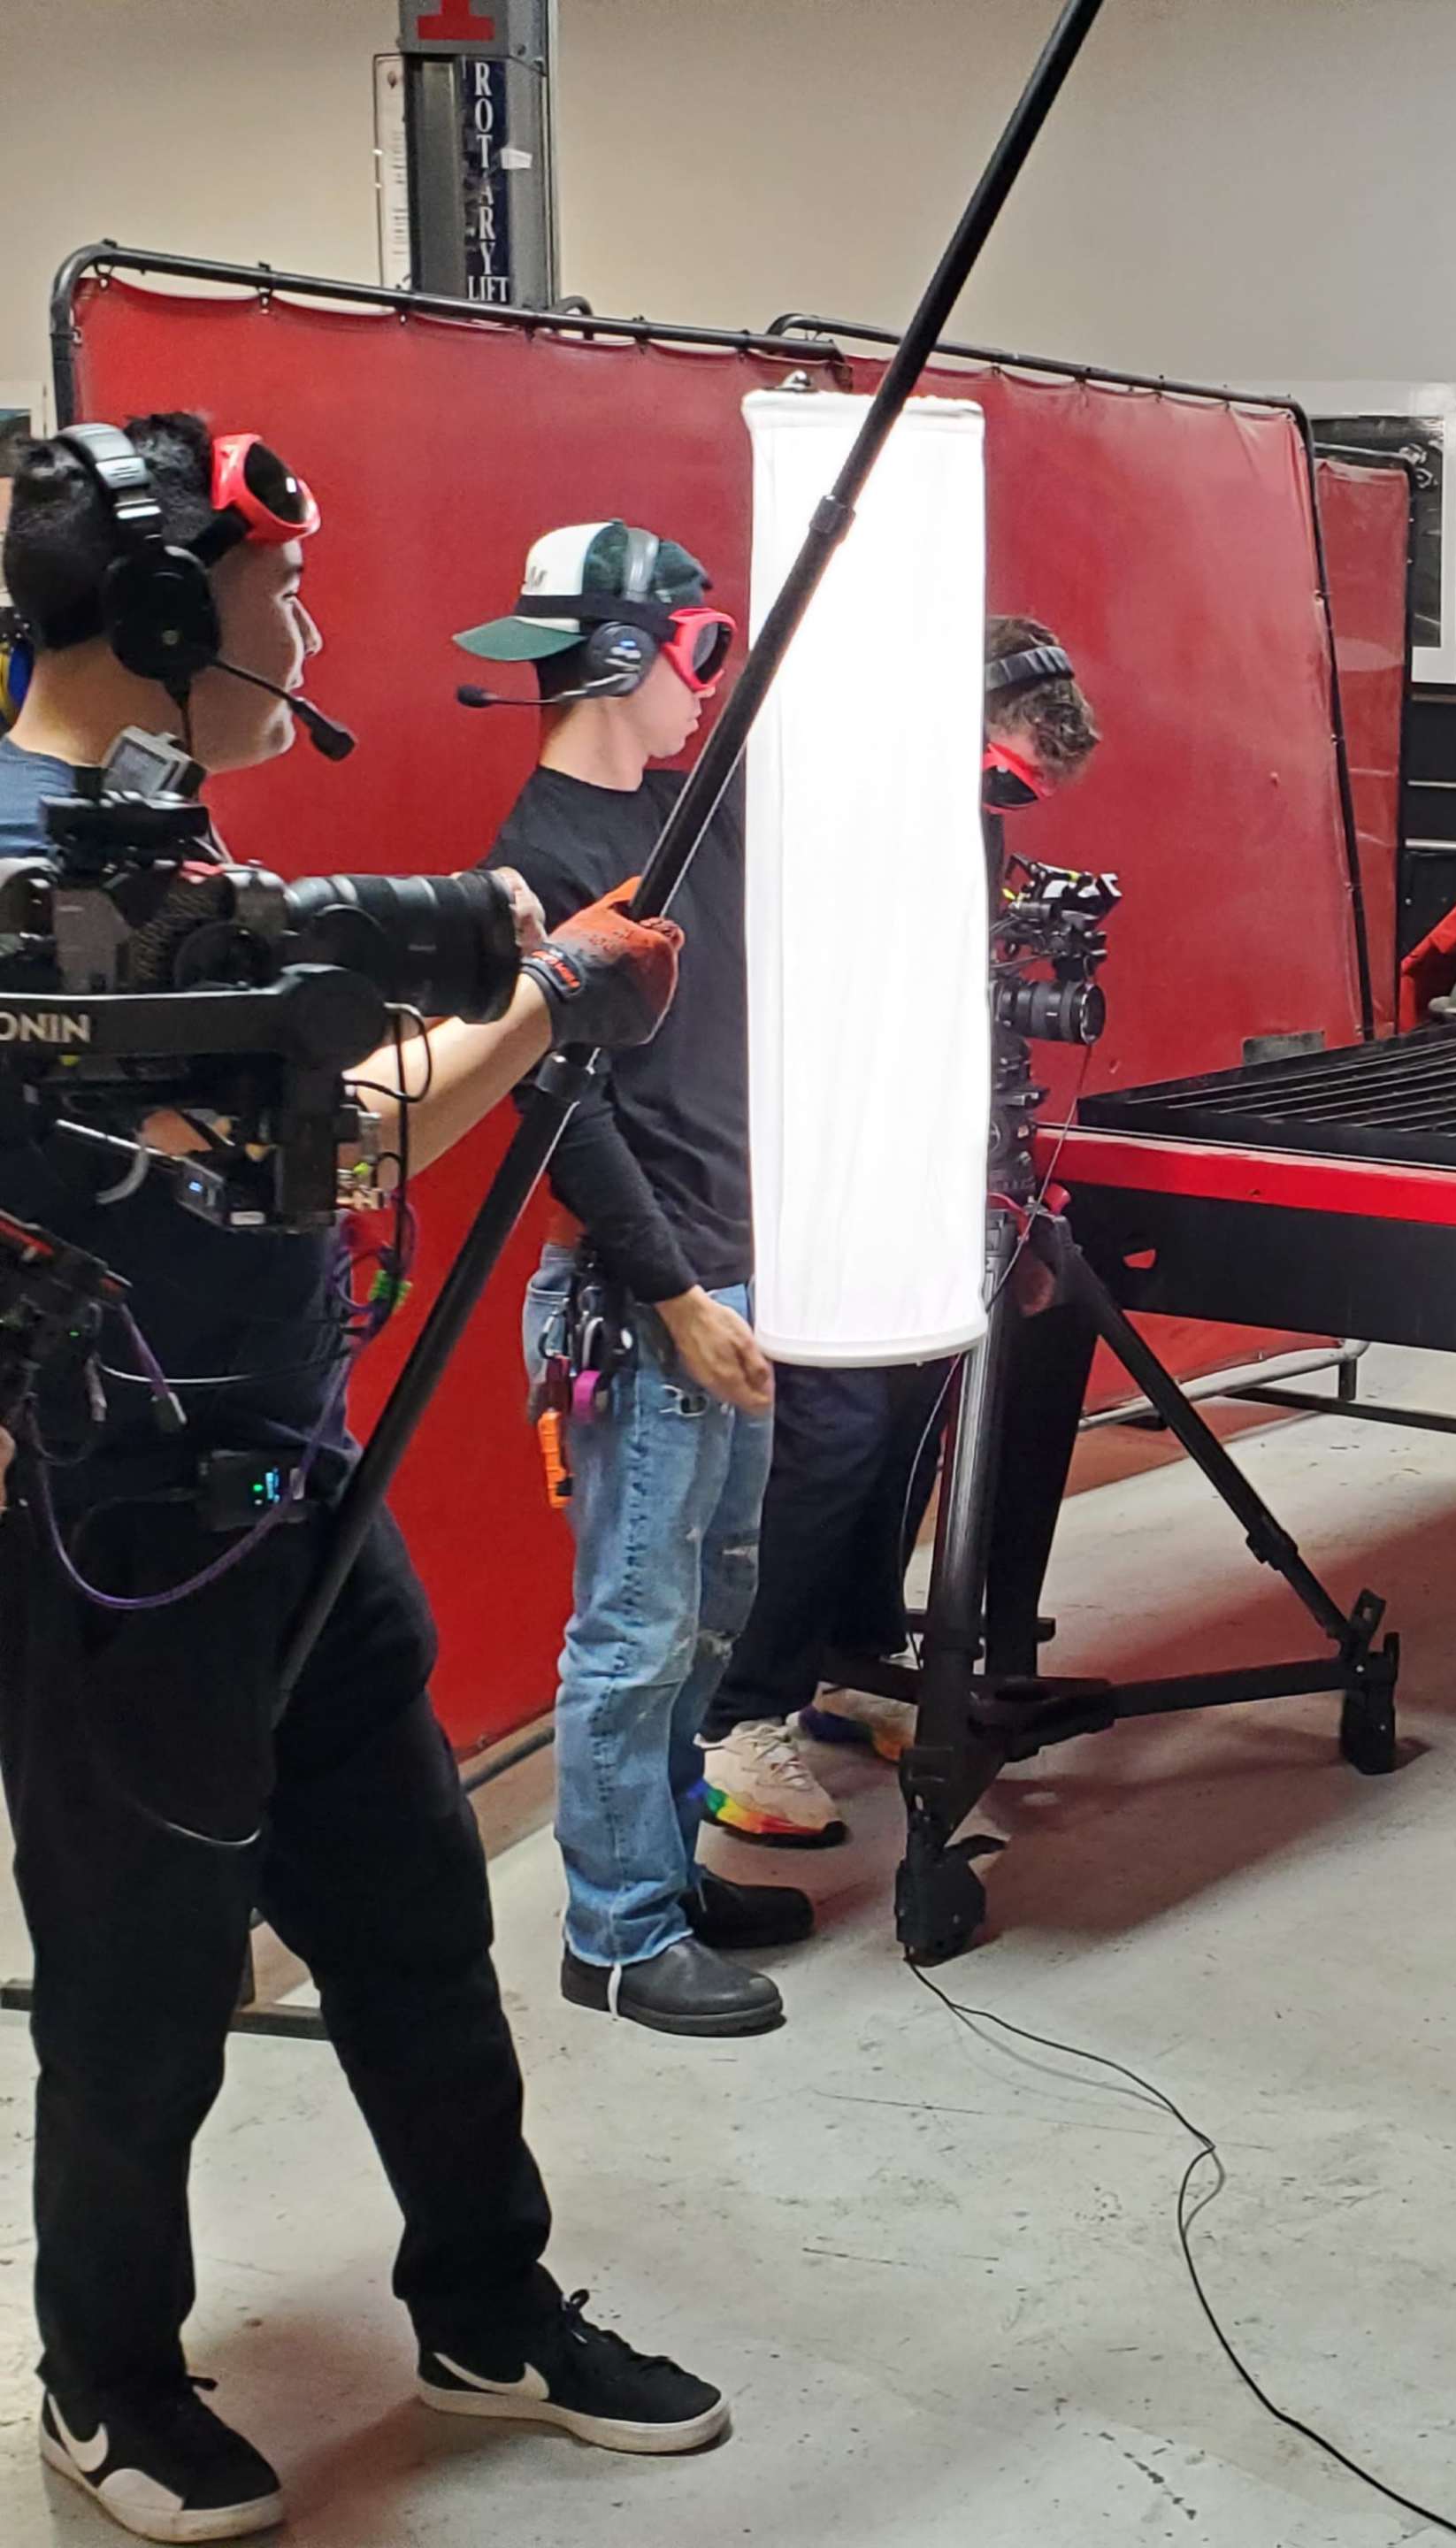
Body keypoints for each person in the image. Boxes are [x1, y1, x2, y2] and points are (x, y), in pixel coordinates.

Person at [0, 416, 724, 2542]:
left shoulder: (163, 847)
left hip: (296, 1482)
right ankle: (106, 2377)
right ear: (154, 617)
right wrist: (557, 1002)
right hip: (109, 1530)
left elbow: (332, 1097)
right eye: (267, 600)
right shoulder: (35, 883)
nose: (302, 633)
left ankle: (487, 2304)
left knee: (413, 1932)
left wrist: (523, 991)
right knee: (140, 1989)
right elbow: (328, 1149)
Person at [462, 521, 799, 2036]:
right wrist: (673, 1297)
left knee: (711, 1616)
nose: (702, 685)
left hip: (729, 1270)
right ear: (623, 652)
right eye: (696, 647)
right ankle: (615, 1933)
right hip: (646, 1296)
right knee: (634, 1627)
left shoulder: (693, 825)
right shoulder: (531, 870)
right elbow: (557, 1116)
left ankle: (662, 1865)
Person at [696, 614, 1104, 1838]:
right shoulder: (828, 820)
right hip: (807, 1178)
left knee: (916, 1420)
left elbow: (960, 1018)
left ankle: (850, 1665)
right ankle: (739, 1713)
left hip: (911, 1172)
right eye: (1004, 774)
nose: (1006, 802)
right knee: (832, 1437)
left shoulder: (961, 820)